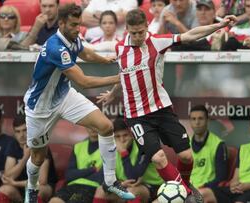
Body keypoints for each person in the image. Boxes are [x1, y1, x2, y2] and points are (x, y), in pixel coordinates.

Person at [97, 8, 237, 203]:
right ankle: (187, 196)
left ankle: (185, 186)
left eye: (141, 32)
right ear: (127, 29)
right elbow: (124, 75)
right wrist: (113, 94)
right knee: (158, 158)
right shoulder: (120, 48)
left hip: (161, 109)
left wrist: (220, 24)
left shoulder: (156, 41)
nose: (137, 36)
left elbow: (190, 34)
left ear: (147, 26)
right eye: (133, 33)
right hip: (137, 116)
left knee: (187, 157)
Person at [23, 3, 135, 203]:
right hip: (40, 108)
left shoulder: (73, 37)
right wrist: (118, 78)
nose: (78, 29)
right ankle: (31, 188)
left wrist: (107, 59)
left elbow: (87, 54)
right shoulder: (56, 47)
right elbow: (83, 81)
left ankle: (109, 181)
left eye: (79, 24)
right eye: (74, 25)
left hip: (65, 96)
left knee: (106, 126)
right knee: (37, 158)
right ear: (62, 23)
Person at [94, 117, 164, 202]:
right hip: (124, 186)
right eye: (117, 136)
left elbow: (133, 177)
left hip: (154, 186)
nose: (122, 140)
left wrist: (123, 153)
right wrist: (120, 184)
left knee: (132, 192)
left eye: (125, 135)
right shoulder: (111, 149)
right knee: (100, 190)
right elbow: (103, 180)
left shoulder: (142, 146)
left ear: (131, 135)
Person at [0, 115, 56, 203]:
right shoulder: (13, 145)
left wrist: (15, 183)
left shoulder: (40, 145)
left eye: (25, 130)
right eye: (18, 131)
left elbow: (42, 181)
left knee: (36, 191)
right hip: (20, 189)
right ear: (14, 132)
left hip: (42, 187)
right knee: (4, 189)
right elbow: (8, 176)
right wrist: (25, 158)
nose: (21, 135)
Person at [50, 128, 104, 203]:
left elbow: (100, 178)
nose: (93, 128)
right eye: (90, 125)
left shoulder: (108, 147)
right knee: (54, 201)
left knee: (74, 201)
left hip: (92, 187)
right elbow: (69, 175)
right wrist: (93, 169)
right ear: (85, 126)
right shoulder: (78, 146)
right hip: (72, 185)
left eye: (96, 125)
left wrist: (78, 174)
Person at [188, 105, 228, 203]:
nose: (197, 122)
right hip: (188, 188)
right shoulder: (185, 143)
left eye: (200, 118)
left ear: (207, 120)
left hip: (207, 189)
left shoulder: (218, 144)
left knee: (193, 199)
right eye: (193, 119)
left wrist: (203, 186)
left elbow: (221, 177)